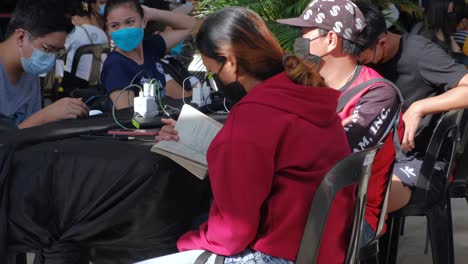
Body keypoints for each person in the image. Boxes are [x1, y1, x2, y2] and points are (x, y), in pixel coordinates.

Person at [141, 6, 354, 264]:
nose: (216, 81)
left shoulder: (255, 115)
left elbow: (232, 233)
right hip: (323, 246)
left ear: (231, 61)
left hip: (278, 252)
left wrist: (184, 242)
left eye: (213, 73)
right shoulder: (303, 91)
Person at [277, 0, 403, 247]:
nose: (298, 42)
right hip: (296, 206)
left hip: (351, 218)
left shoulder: (378, 94)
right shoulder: (303, 84)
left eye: (304, 34)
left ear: (332, 40)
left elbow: (336, 158)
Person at [356, 2, 468, 212]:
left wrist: (420, 107)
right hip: (376, 155)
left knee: (356, 203)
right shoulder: (356, 59)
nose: (356, 63)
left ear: (382, 42)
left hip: (420, 163)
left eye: (360, 58)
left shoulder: (418, 52)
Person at [0, 0, 89, 129]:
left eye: (57, 51)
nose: (51, 58)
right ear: (21, 37)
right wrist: (44, 116)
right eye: (48, 49)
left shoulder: (29, 71)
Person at [100, 0, 195, 109]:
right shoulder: (115, 66)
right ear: (108, 29)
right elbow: (127, 116)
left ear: (144, 22)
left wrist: (152, 13)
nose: (123, 30)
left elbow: (189, 24)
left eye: (130, 22)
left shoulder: (150, 47)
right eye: (115, 26)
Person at [62, 0, 108, 91]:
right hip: (98, 82)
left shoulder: (75, 32)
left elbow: (61, 51)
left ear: (74, 18)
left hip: (76, 83)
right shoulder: (102, 33)